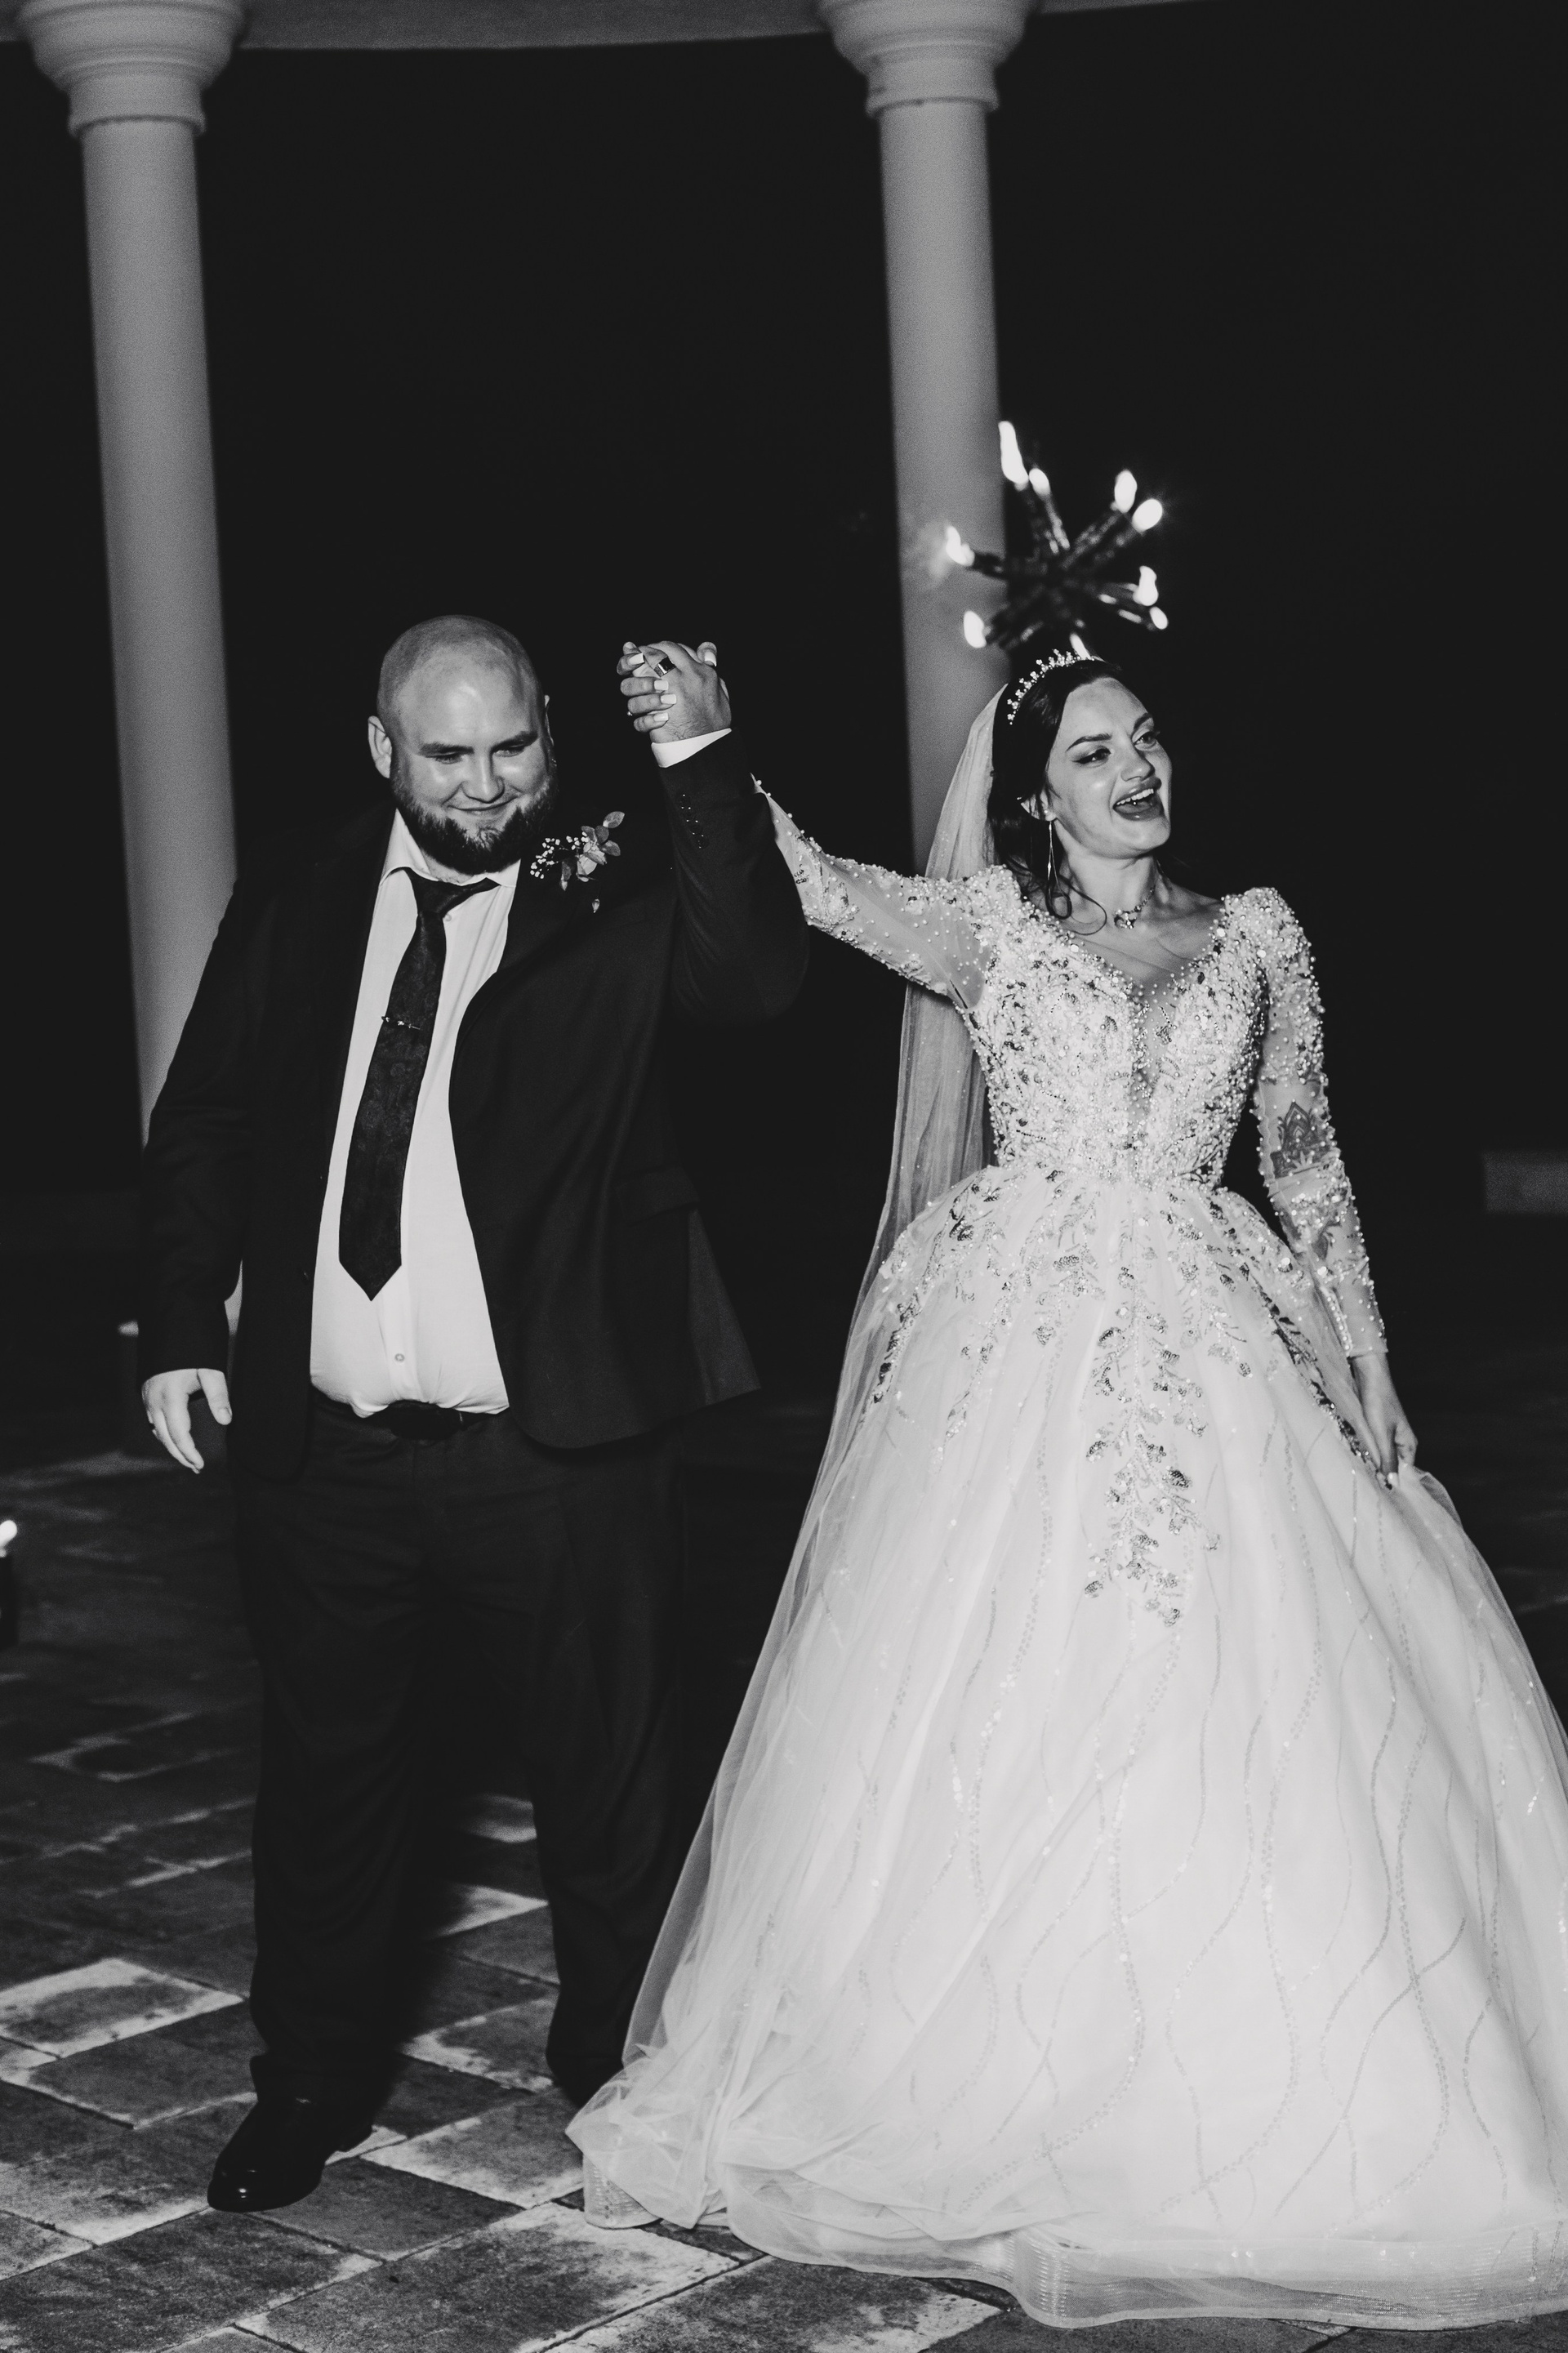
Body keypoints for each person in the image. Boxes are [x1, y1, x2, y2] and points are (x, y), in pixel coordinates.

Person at [570, 648, 1568, 2330]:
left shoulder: (1258, 931)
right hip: (1023, 1345)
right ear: (1038, 794)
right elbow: (816, 886)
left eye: (1149, 738)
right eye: (1095, 751)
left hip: (1223, 1324)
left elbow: (1304, 1152)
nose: (1136, 767)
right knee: (1001, 1674)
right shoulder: (994, 933)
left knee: (1274, 1675)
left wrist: (1368, 1350)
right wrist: (706, 741)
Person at [139, 617, 806, 2213]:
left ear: (550, 737)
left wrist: (700, 755)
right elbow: (211, 1113)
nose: (487, 785)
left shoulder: (615, 888)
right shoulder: (301, 890)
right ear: (384, 750)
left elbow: (753, 979)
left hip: (555, 1443)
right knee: (328, 1789)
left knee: (612, 1795)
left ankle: (618, 2077)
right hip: (326, 1452)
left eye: (514, 748)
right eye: (448, 755)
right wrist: (177, 1323)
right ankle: (306, 2085)